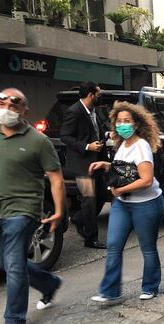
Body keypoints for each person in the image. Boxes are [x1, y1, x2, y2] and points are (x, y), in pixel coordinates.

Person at [0, 88, 65, 324]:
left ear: (25, 110)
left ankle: (14, 320)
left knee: (14, 265)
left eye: (14, 104)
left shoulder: (38, 141)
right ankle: (49, 284)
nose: (6, 107)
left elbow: (56, 179)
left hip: (24, 210)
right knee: (3, 262)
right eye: (2, 102)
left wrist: (59, 211)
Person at [88, 102, 164, 303]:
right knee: (113, 245)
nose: (122, 125)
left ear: (136, 124)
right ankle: (110, 291)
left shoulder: (141, 146)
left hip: (146, 203)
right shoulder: (122, 145)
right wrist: (106, 165)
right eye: (119, 121)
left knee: (147, 247)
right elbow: (123, 169)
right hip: (122, 203)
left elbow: (145, 180)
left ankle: (151, 286)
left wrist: (119, 190)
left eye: (127, 121)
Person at [60, 81, 107, 249]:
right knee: (89, 199)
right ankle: (91, 238)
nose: (101, 97)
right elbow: (65, 136)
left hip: (96, 162)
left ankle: (79, 218)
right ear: (90, 95)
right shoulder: (74, 111)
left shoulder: (94, 111)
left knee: (101, 195)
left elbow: (96, 131)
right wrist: (87, 146)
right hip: (82, 164)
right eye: (99, 94)